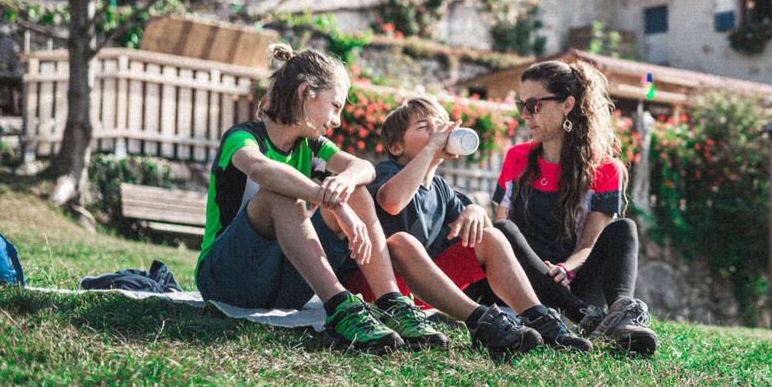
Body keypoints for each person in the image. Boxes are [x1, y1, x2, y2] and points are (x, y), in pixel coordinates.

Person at [194, 44, 447, 354]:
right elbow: (260, 169)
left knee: (353, 189)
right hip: (226, 280)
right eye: (335, 106)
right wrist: (329, 200)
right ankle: (341, 307)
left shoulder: (312, 147)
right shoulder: (244, 137)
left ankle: (392, 302)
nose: (338, 120)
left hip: (284, 287)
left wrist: (343, 183)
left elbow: (363, 167)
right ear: (305, 93)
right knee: (282, 195)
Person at [351, 97, 590, 353]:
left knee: (492, 236)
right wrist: (431, 148)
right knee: (401, 242)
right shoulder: (387, 171)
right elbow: (391, 202)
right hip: (376, 288)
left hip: (423, 290)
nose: (438, 132)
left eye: (441, 125)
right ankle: (481, 321)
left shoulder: (441, 188)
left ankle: (538, 317)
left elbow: (479, 229)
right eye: (424, 127)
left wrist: (475, 210)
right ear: (396, 147)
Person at [492, 59, 657, 356]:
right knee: (501, 231)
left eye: (534, 105)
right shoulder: (516, 158)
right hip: (522, 286)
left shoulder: (606, 169)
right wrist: (541, 269)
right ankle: (586, 319)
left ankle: (622, 316)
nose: (526, 115)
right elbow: (500, 240)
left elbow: (590, 243)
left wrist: (565, 268)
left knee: (624, 229)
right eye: (522, 106)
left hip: (572, 281)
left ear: (567, 104)